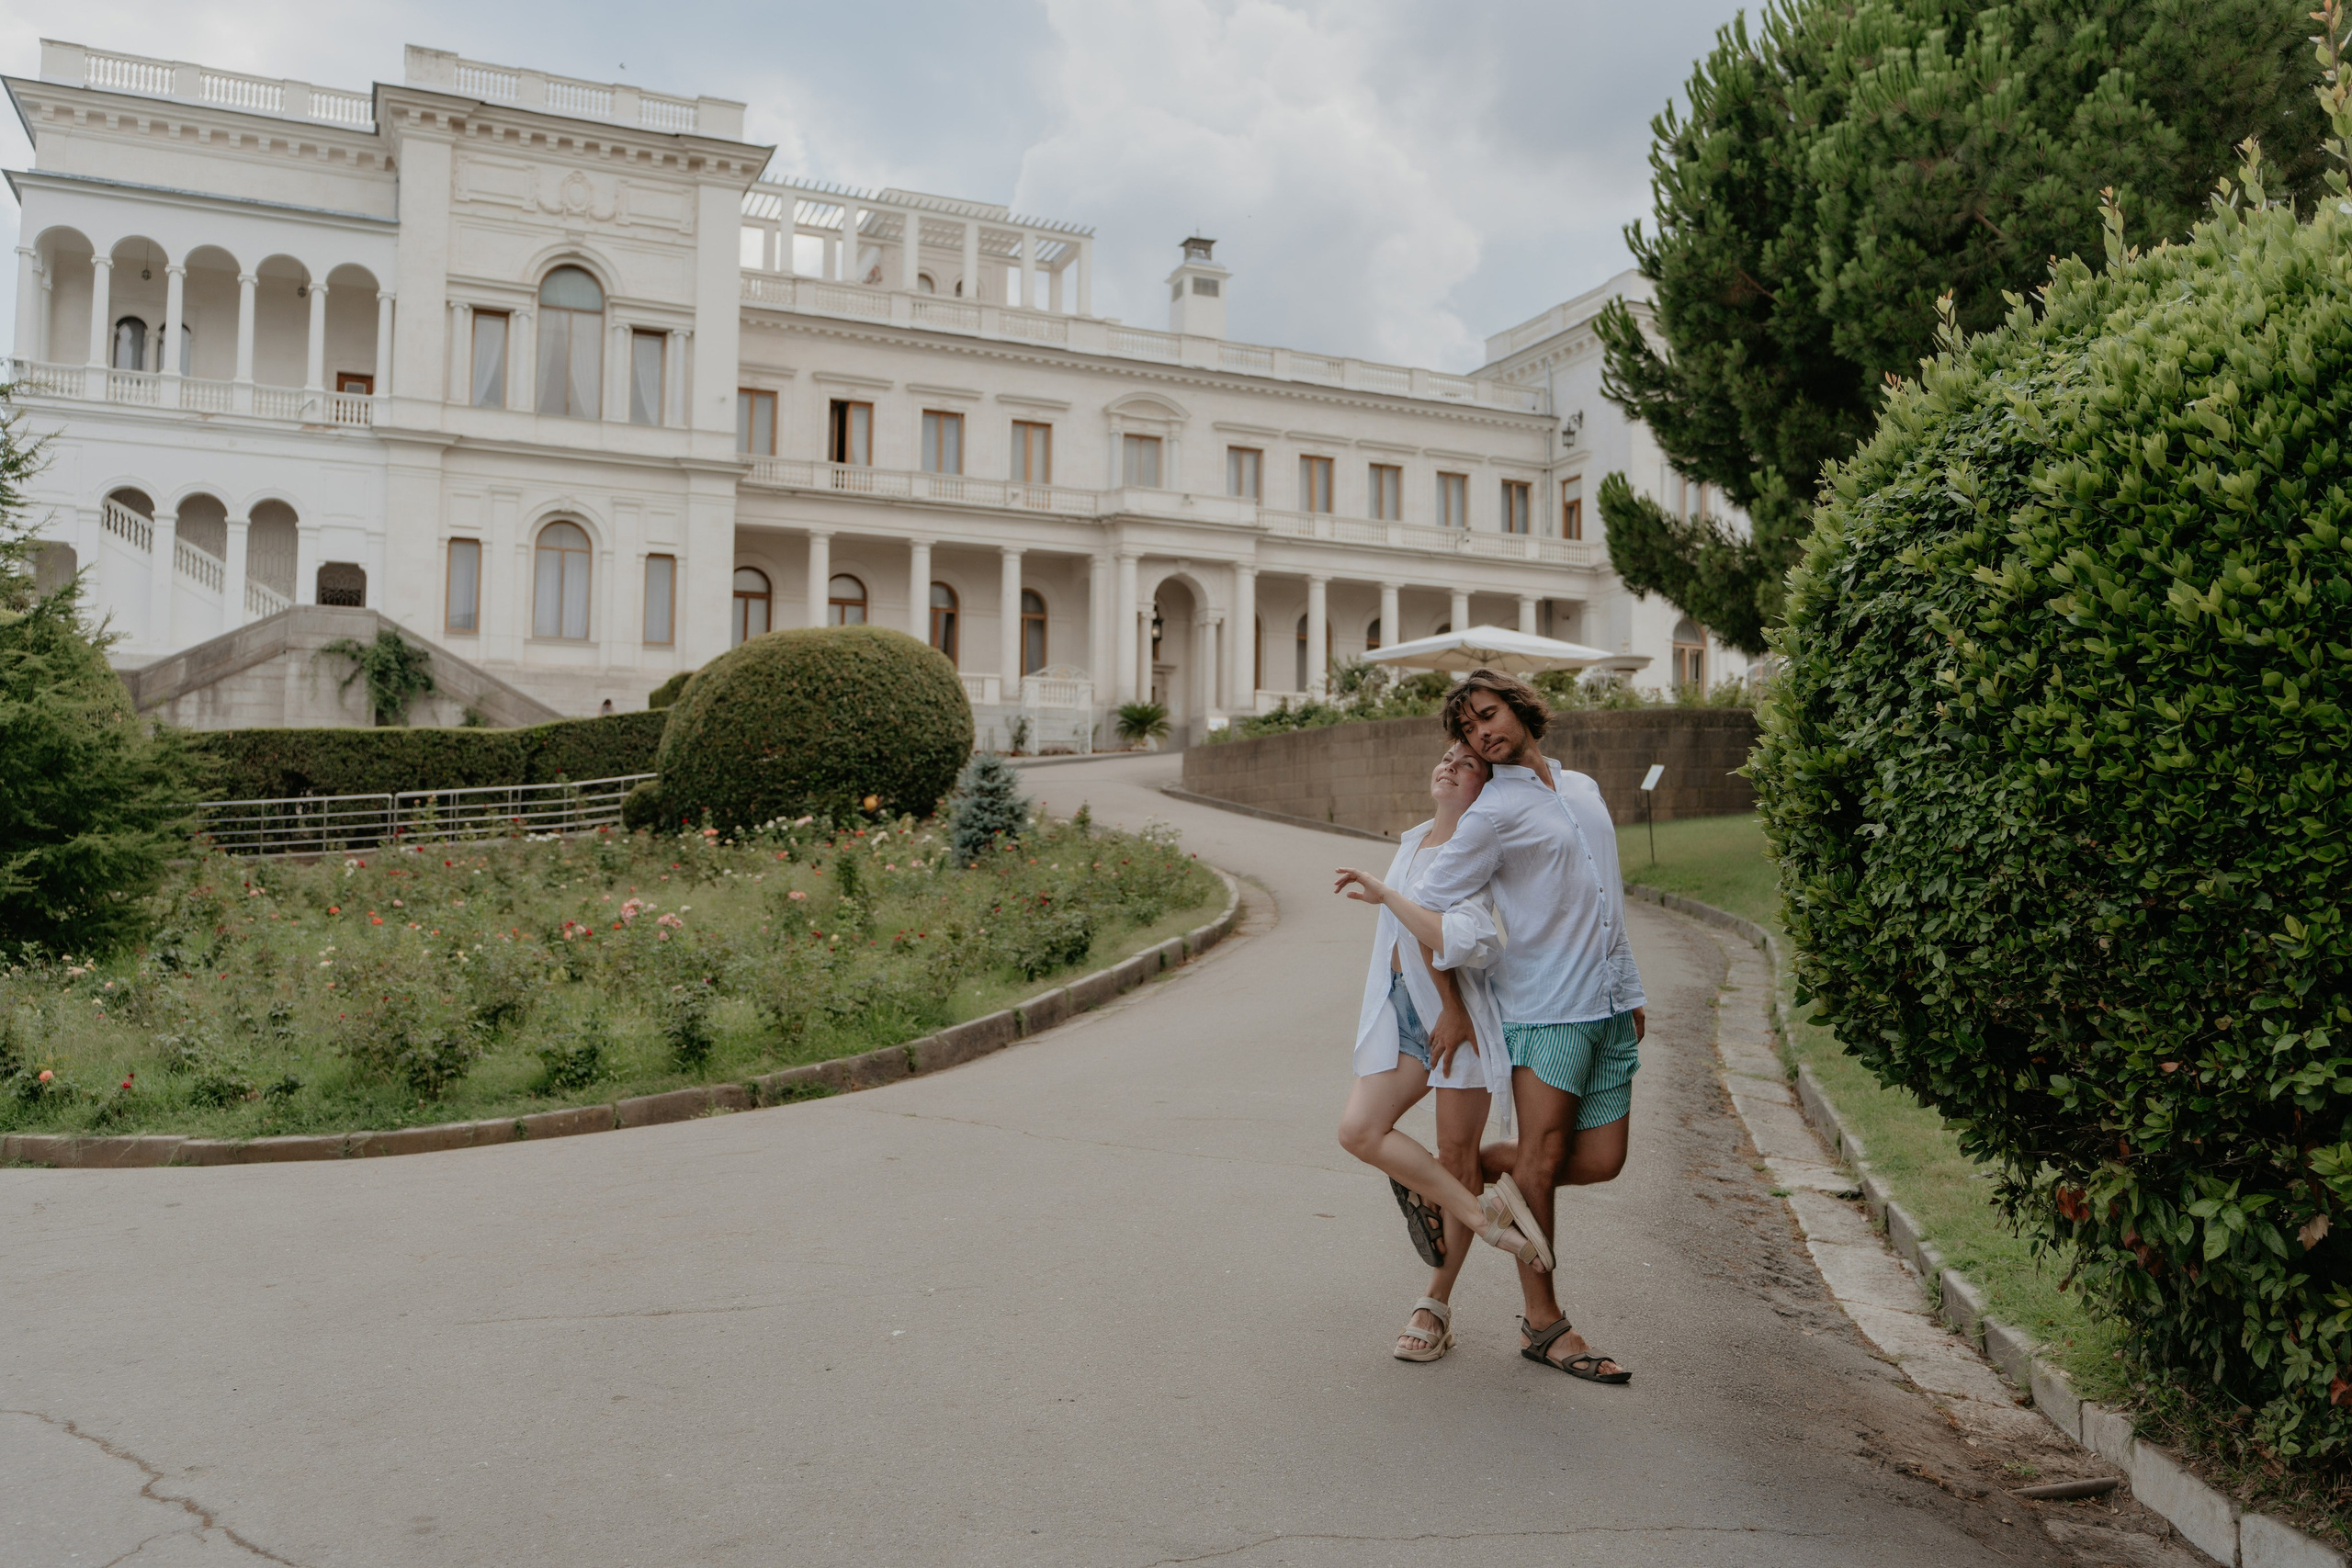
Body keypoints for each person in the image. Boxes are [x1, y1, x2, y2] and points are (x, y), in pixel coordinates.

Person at [1408, 670, 1645, 1385]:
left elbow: (1608, 892)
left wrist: (1629, 985)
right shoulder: (1493, 810)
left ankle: (1455, 1177)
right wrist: (1450, 1004)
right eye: (1470, 729)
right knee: (1538, 1166)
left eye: (1488, 715)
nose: (1483, 733)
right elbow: (1426, 904)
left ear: (1519, 705)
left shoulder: (1581, 788)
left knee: (1604, 1159)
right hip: (1544, 1012)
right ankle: (1545, 1323)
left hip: (1606, 1008)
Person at [1332, 743, 1545, 1361]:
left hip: (1461, 1023)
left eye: (1466, 763)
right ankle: (1483, 1215)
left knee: (1456, 1153)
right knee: (1359, 1129)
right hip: (1403, 1011)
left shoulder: (1478, 850)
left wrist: (1451, 1004)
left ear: (1486, 788)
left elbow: (1465, 938)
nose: (1448, 765)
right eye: (1445, 755)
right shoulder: (1415, 839)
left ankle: (1435, 1303)